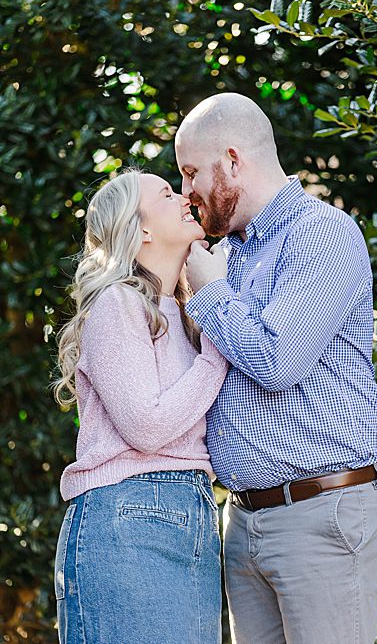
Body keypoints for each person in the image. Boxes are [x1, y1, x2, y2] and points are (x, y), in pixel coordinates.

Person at [173, 92, 377, 644]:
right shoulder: (226, 254)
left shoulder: (320, 234)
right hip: (246, 520)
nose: (186, 193)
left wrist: (205, 289)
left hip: (323, 513)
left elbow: (280, 360)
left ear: (232, 161)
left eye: (190, 173)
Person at [53, 169, 229, 644]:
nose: (185, 196)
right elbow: (147, 427)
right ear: (142, 229)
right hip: (127, 520)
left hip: (187, 513)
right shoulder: (118, 303)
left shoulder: (183, 313)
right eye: (167, 194)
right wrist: (220, 352)